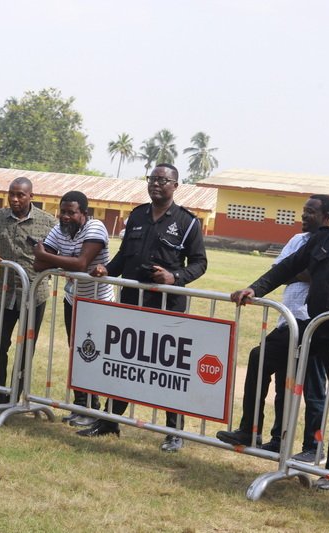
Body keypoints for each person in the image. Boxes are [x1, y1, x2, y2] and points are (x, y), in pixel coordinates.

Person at [229, 186, 329, 491]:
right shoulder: (324, 239)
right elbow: (288, 267)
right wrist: (255, 288)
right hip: (313, 326)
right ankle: (249, 430)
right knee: (261, 356)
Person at [82, 163, 207, 453]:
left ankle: (174, 431)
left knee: (168, 369)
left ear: (175, 186)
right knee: (125, 363)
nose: (156, 184)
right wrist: (106, 269)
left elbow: (200, 262)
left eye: (163, 180)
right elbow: (125, 255)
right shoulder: (137, 215)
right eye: (152, 179)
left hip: (167, 306)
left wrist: (174, 277)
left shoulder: (188, 222)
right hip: (132, 301)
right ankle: (110, 421)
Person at [216, 195, 329, 457]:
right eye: (304, 210)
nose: (304, 215)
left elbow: (314, 274)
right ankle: (273, 437)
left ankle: (313, 447)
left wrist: (296, 271)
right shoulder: (298, 240)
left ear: (327, 217)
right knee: (281, 380)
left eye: (311, 212)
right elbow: (280, 270)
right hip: (288, 320)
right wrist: (298, 272)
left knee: (312, 387)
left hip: (313, 323)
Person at [33, 190, 113, 428]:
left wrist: (48, 256)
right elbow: (38, 264)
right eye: (63, 211)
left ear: (84, 213)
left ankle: (92, 407)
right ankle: (80, 405)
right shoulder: (60, 229)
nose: (65, 216)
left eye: (71, 212)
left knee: (93, 352)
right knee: (77, 350)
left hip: (98, 302)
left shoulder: (95, 227)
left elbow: (81, 263)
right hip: (73, 299)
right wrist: (50, 258)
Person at [0, 177, 56, 408]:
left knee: (26, 348)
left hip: (34, 295)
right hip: (5, 293)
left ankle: (15, 398)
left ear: (31, 196)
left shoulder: (48, 221)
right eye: (11, 194)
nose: (15, 199)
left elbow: (58, 253)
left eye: (20, 195)